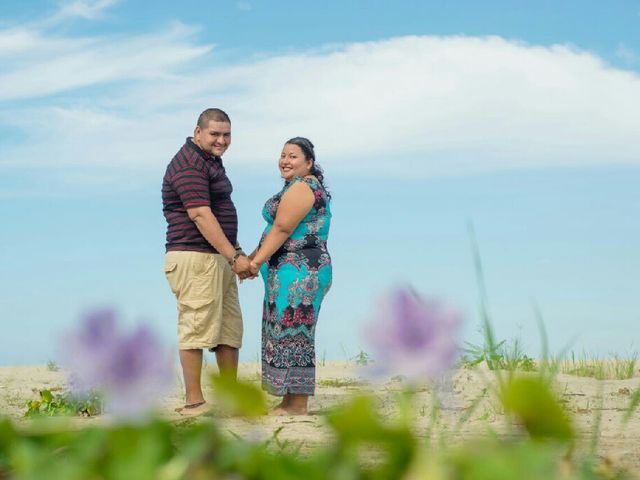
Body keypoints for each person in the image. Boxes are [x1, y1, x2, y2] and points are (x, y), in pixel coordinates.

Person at [162, 108, 252, 416]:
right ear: (198, 132)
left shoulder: (210, 162)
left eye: (226, 134)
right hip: (195, 256)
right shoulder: (189, 163)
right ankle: (194, 402)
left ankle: (230, 401)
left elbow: (219, 212)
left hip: (219, 257)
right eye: (215, 134)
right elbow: (200, 214)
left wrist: (237, 254)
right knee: (196, 325)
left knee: (228, 330)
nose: (221, 140)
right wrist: (234, 256)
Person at [248, 137, 332, 416]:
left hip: (301, 275)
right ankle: (288, 399)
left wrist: (254, 262)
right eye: (282, 155)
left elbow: (283, 228)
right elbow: (274, 231)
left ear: (309, 163)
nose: (285, 160)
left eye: (293, 156)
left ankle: (297, 404)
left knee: (296, 333)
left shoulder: (303, 187)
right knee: (281, 332)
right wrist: (253, 259)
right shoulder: (292, 187)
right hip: (286, 272)